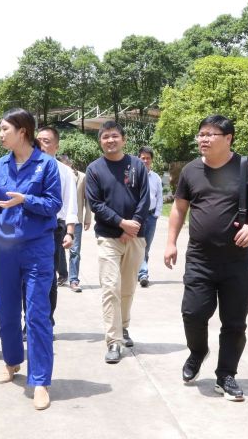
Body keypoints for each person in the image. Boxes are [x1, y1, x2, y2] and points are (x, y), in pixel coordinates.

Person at [164, 115, 248, 402]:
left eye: (211, 134)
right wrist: (171, 243)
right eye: (201, 134)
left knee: (234, 323)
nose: (204, 139)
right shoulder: (191, 170)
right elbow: (179, 208)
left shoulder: (245, 167)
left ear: (228, 138)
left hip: (236, 260)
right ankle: (198, 352)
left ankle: (226, 375)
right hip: (200, 259)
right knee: (193, 313)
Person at [0, 108, 61, 411]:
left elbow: (53, 204)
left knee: (37, 314)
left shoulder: (46, 165)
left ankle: (40, 380)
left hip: (37, 248)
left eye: (4, 129)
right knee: (6, 309)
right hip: (5, 249)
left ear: (22, 131)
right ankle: (12, 362)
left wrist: (27, 200)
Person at [85, 121, 149, 364]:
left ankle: (123, 327)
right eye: (105, 137)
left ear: (123, 139)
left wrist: (132, 226)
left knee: (127, 288)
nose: (110, 140)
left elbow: (144, 199)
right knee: (110, 288)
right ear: (100, 141)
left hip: (135, 236)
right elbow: (96, 204)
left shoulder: (137, 166)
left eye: (114, 136)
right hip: (108, 237)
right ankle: (113, 341)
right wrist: (121, 223)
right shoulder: (94, 169)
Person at [36, 127, 78, 325]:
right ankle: (30, 321)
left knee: (48, 276)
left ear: (56, 146)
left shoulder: (65, 171)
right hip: (29, 227)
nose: (41, 144)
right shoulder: (26, 166)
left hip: (54, 228)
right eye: (38, 140)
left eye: (46, 141)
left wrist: (70, 233)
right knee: (28, 277)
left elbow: (71, 204)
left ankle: (47, 321)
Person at [58, 154, 91, 293]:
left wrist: (88, 217)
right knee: (58, 250)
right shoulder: (55, 175)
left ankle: (74, 280)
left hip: (76, 219)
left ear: (70, 165)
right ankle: (63, 274)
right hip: (59, 219)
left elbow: (87, 199)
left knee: (75, 251)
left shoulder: (82, 177)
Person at [137, 146, 164, 288]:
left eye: (148, 158)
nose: (145, 161)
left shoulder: (156, 178)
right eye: (143, 158)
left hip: (151, 216)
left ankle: (141, 271)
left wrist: (157, 214)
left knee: (146, 246)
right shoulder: (133, 176)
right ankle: (143, 273)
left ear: (152, 160)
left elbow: (159, 197)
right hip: (137, 217)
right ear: (138, 159)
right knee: (139, 245)